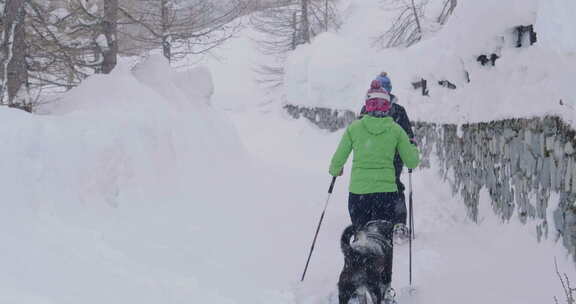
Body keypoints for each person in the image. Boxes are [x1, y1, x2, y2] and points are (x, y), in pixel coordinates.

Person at [329, 83, 420, 292]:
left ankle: (352, 281)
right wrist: (412, 147)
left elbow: (336, 161)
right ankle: (385, 284)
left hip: (358, 195)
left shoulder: (354, 128)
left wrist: (336, 170)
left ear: (367, 106)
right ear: (387, 108)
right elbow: (412, 162)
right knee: (384, 242)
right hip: (385, 196)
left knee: (359, 237)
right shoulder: (396, 130)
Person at [360, 74, 416, 241]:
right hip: (392, 155)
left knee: (385, 185)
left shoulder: (371, 109)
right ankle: (392, 222)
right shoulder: (397, 110)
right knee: (391, 185)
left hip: (383, 155)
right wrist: (411, 145)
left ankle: (383, 222)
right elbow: (408, 134)